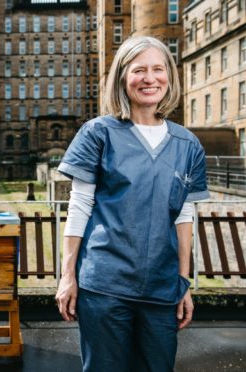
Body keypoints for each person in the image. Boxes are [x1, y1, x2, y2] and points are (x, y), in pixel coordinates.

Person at [55, 36, 209, 371]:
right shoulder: (98, 133)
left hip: (161, 288)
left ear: (169, 76)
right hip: (105, 286)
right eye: (139, 70)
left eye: (158, 69)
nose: (149, 78)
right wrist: (68, 276)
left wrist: (183, 283)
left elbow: (183, 215)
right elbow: (79, 207)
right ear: (123, 78)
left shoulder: (188, 145)